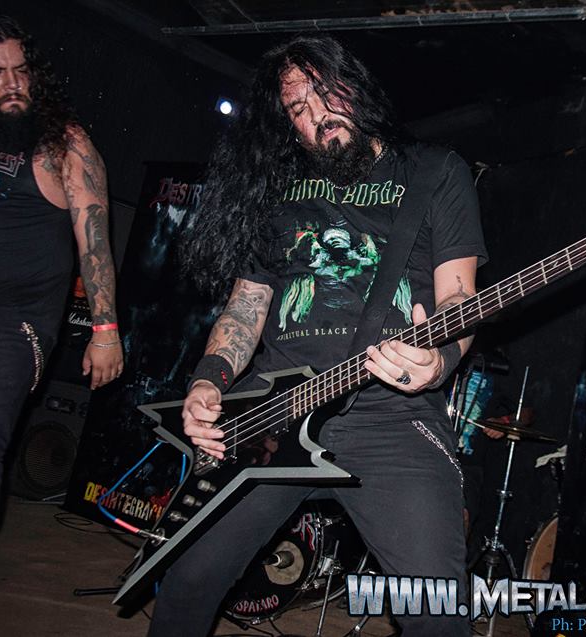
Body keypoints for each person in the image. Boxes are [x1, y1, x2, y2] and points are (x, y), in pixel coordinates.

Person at [150, 35, 487, 636]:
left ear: (355, 86)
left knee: (436, 611)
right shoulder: (278, 189)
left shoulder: (435, 171)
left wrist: (439, 360)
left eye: (325, 93)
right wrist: (209, 380)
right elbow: (246, 307)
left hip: (391, 417)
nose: (316, 115)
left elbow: (459, 298)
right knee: (187, 580)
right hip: (272, 412)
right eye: (297, 109)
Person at [0, 12, 123, 633]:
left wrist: (105, 330)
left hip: (12, 322)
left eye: (21, 70)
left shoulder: (62, 142)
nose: (13, 83)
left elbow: (94, 239)